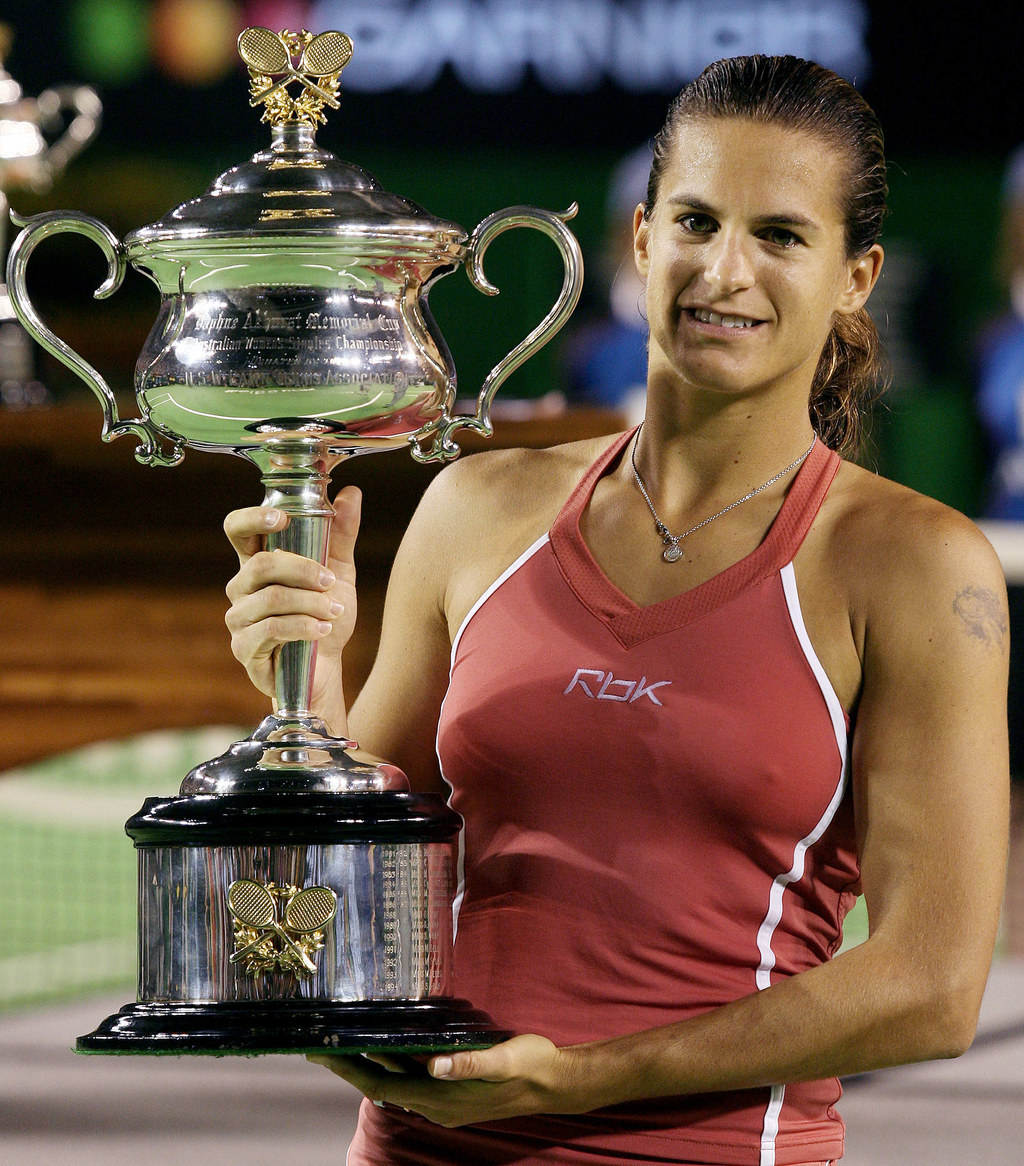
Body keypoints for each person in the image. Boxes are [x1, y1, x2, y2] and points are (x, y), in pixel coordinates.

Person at [223, 55, 1009, 1166]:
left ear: (855, 275)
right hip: (417, 1148)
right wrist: (301, 693)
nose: (722, 270)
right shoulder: (475, 508)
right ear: (640, 241)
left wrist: (581, 1078)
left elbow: (930, 986)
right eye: (694, 220)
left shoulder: (917, 568)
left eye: (780, 235)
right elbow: (335, 896)